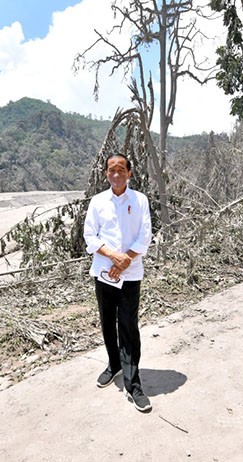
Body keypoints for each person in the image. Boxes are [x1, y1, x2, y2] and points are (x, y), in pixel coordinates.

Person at [83, 154, 153, 412]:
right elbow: (89, 235)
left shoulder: (140, 200)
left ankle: (133, 385)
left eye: (121, 169)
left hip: (131, 273)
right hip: (103, 271)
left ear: (129, 173)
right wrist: (112, 256)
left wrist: (126, 260)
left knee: (128, 327)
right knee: (107, 322)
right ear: (105, 174)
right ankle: (114, 364)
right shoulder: (98, 202)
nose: (116, 174)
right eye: (111, 170)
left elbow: (145, 235)